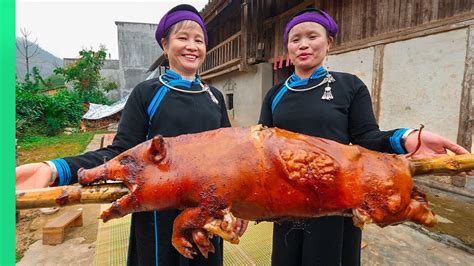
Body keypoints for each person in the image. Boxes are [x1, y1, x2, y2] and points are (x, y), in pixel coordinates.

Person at [16, 4, 247, 266]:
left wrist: (240, 208)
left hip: (207, 212)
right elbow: (120, 153)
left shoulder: (214, 97)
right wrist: (56, 169)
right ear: (164, 44)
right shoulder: (147, 93)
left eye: (199, 40)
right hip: (158, 214)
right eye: (183, 38)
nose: (192, 46)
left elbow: (232, 161)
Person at [258, 8, 470, 266]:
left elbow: (367, 138)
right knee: (287, 257)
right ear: (287, 47)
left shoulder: (350, 86)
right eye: (295, 39)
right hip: (289, 200)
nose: (303, 44)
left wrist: (406, 139)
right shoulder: (275, 94)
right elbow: (263, 147)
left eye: (312, 36)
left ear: (329, 43)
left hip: (337, 197)